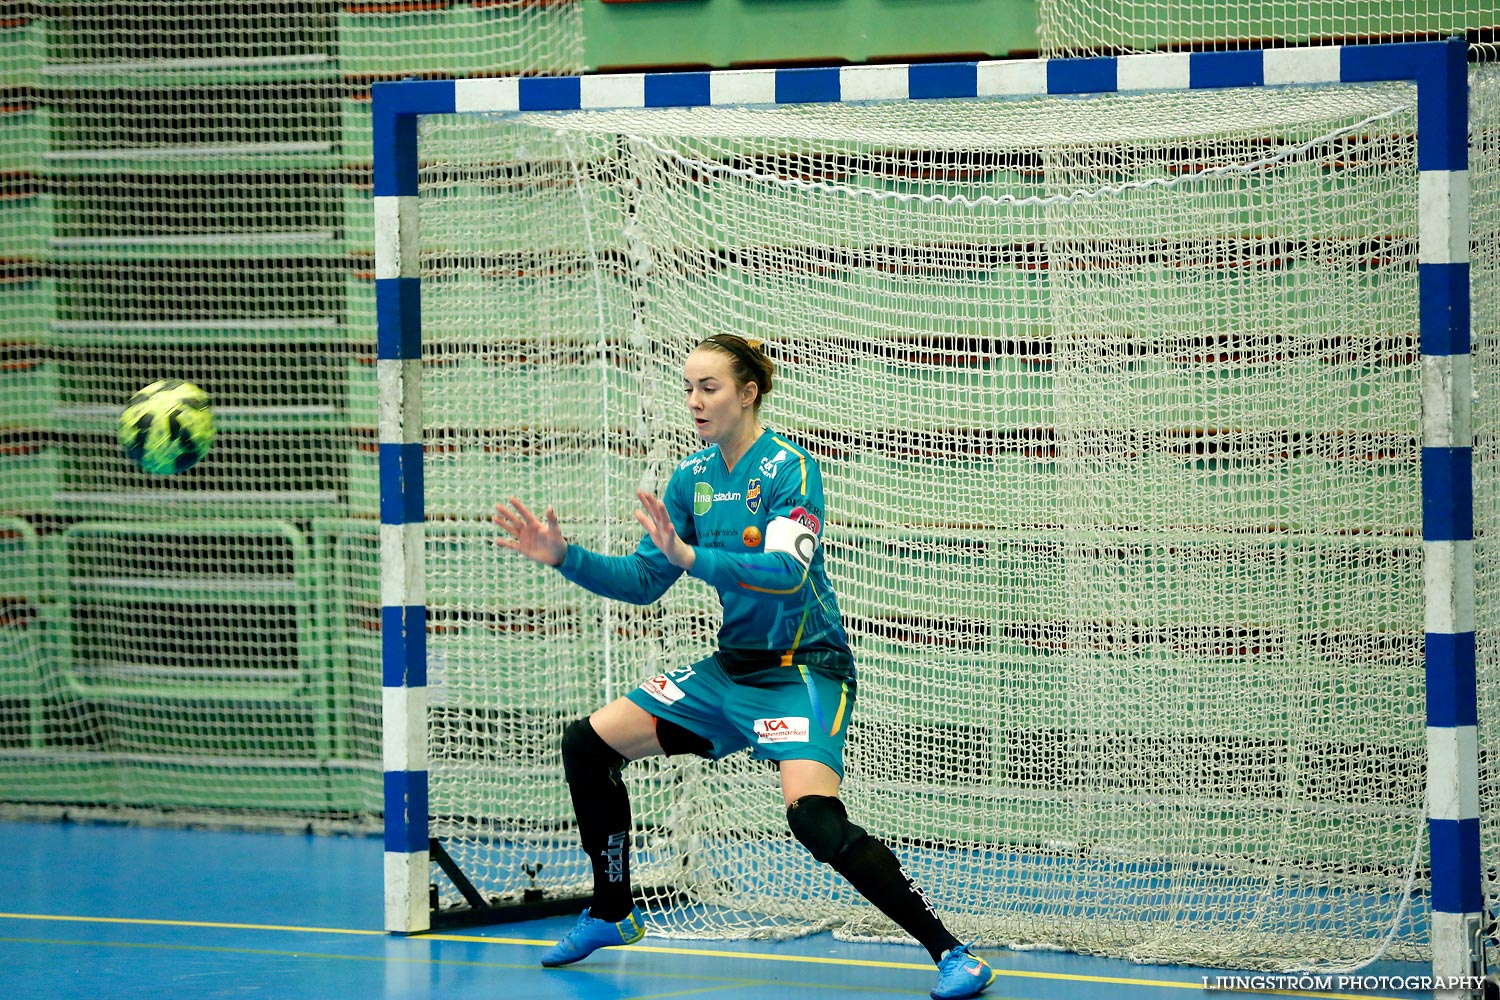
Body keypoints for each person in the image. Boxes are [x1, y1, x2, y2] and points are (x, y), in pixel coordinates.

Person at [492, 333, 997, 1000]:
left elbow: (788, 573)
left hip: (804, 669)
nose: (695, 401)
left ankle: (953, 953)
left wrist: (692, 558)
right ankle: (612, 911)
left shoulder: (790, 468)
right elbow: (646, 580)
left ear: (748, 392)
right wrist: (566, 558)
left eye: (710, 387)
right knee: (588, 742)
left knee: (813, 817)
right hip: (731, 671)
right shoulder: (691, 480)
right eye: (689, 388)